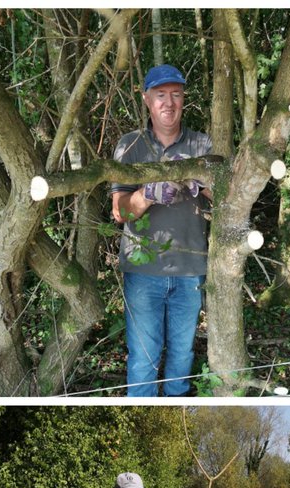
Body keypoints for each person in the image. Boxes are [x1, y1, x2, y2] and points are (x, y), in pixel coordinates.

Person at [111, 64, 215, 396]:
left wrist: (201, 184)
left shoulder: (202, 144)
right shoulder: (129, 146)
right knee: (143, 358)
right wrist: (148, 194)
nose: (168, 103)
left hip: (189, 270)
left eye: (175, 95)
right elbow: (119, 211)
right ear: (146, 100)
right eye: (160, 95)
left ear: (183, 99)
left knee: (182, 355)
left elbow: (228, 195)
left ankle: (176, 410)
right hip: (143, 271)